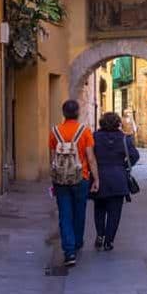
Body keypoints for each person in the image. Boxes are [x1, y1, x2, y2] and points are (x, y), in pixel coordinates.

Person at [49, 100, 99, 267]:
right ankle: (77, 243)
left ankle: (69, 251)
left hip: (61, 180)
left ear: (63, 113)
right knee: (79, 212)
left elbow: (52, 157)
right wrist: (96, 179)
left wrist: (54, 175)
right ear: (77, 112)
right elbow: (90, 157)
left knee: (64, 214)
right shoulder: (84, 131)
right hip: (81, 178)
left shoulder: (55, 131)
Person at [92, 112, 139, 251]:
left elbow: (89, 155)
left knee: (99, 209)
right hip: (118, 178)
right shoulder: (124, 138)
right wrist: (123, 166)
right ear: (118, 123)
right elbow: (135, 155)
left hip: (99, 177)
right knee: (115, 211)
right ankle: (109, 241)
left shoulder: (95, 137)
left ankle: (100, 235)